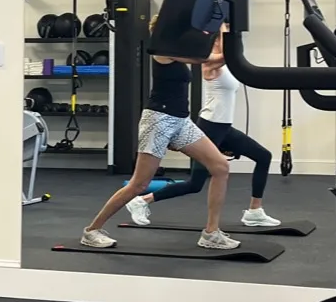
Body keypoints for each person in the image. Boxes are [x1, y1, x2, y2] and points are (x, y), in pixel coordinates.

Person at [80, 24, 238, 250]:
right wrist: (223, 32)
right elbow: (206, 57)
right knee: (139, 184)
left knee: (220, 167)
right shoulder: (162, 51)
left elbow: (215, 59)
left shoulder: (178, 54)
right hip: (158, 119)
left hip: (181, 121)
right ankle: (92, 230)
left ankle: (211, 234)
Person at [123, 23, 280, 229]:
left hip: (224, 128)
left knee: (263, 156)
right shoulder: (209, 64)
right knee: (195, 185)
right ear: (216, 39)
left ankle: (254, 211)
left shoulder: (228, 64)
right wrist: (224, 26)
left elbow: (232, 57)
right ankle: (141, 201)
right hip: (210, 126)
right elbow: (227, 54)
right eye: (221, 38)